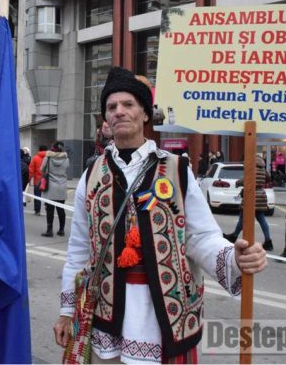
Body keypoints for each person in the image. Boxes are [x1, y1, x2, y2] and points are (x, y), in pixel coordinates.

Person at [53, 67, 266, 363]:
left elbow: (200, 236)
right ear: (105, 120)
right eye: (111, 107)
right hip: (106, 314)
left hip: (164, 314)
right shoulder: (91, 176)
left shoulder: (177, 169)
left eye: (128, 104)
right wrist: (66, 312)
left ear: (144, 114)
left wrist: (234, 259)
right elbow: (79, 249)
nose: (119, 112)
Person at [223, 154, 273, 251]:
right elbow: (268, 179)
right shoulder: (263, 169)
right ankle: (268, 242)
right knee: (262, 219)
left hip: (251, 196)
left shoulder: (252, 168)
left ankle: (234, 236)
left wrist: (238, 183)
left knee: (242, 218)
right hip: (261, 196)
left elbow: (246, 180)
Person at [40, 141, 69, 237]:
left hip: (50, 187)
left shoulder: (48, 158)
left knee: (49, 209)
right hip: (62, 186)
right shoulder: (66, 159)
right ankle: (61, 230)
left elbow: (42, 169)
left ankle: (49, 230)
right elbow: (66, 168)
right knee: (61, 209)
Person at [29, 145, 48, 216]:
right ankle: (49, 210)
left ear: (39, 150)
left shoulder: (35, 158)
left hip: (37, 180)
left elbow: (31, 170)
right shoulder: (49, 158)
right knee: (48, 196)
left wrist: (29, 179)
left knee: (37, 196)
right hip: (47, 180)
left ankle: (37, 211)